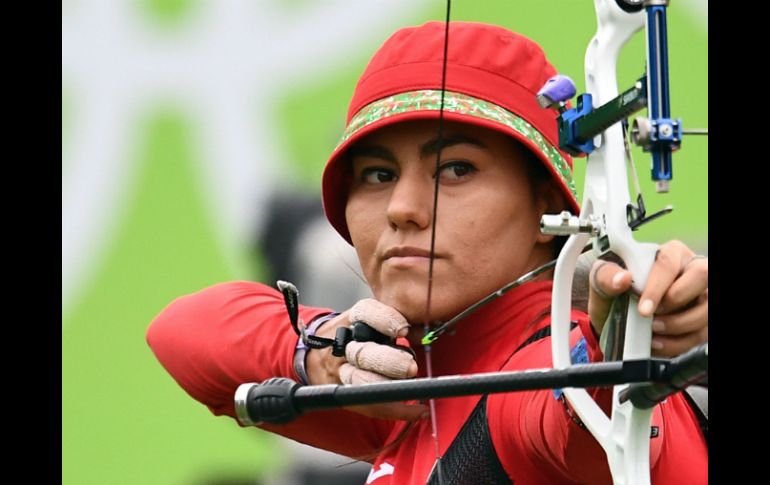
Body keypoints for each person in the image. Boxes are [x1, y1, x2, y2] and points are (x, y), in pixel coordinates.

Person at [147, 21, 708, 484]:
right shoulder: (411, 388)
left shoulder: (530, 380)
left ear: (547, 206)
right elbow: (180, 333)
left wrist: (621, 343)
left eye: (456, 169)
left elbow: (578, 419)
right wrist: (328, 358)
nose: (403, 207)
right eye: (377, 174)